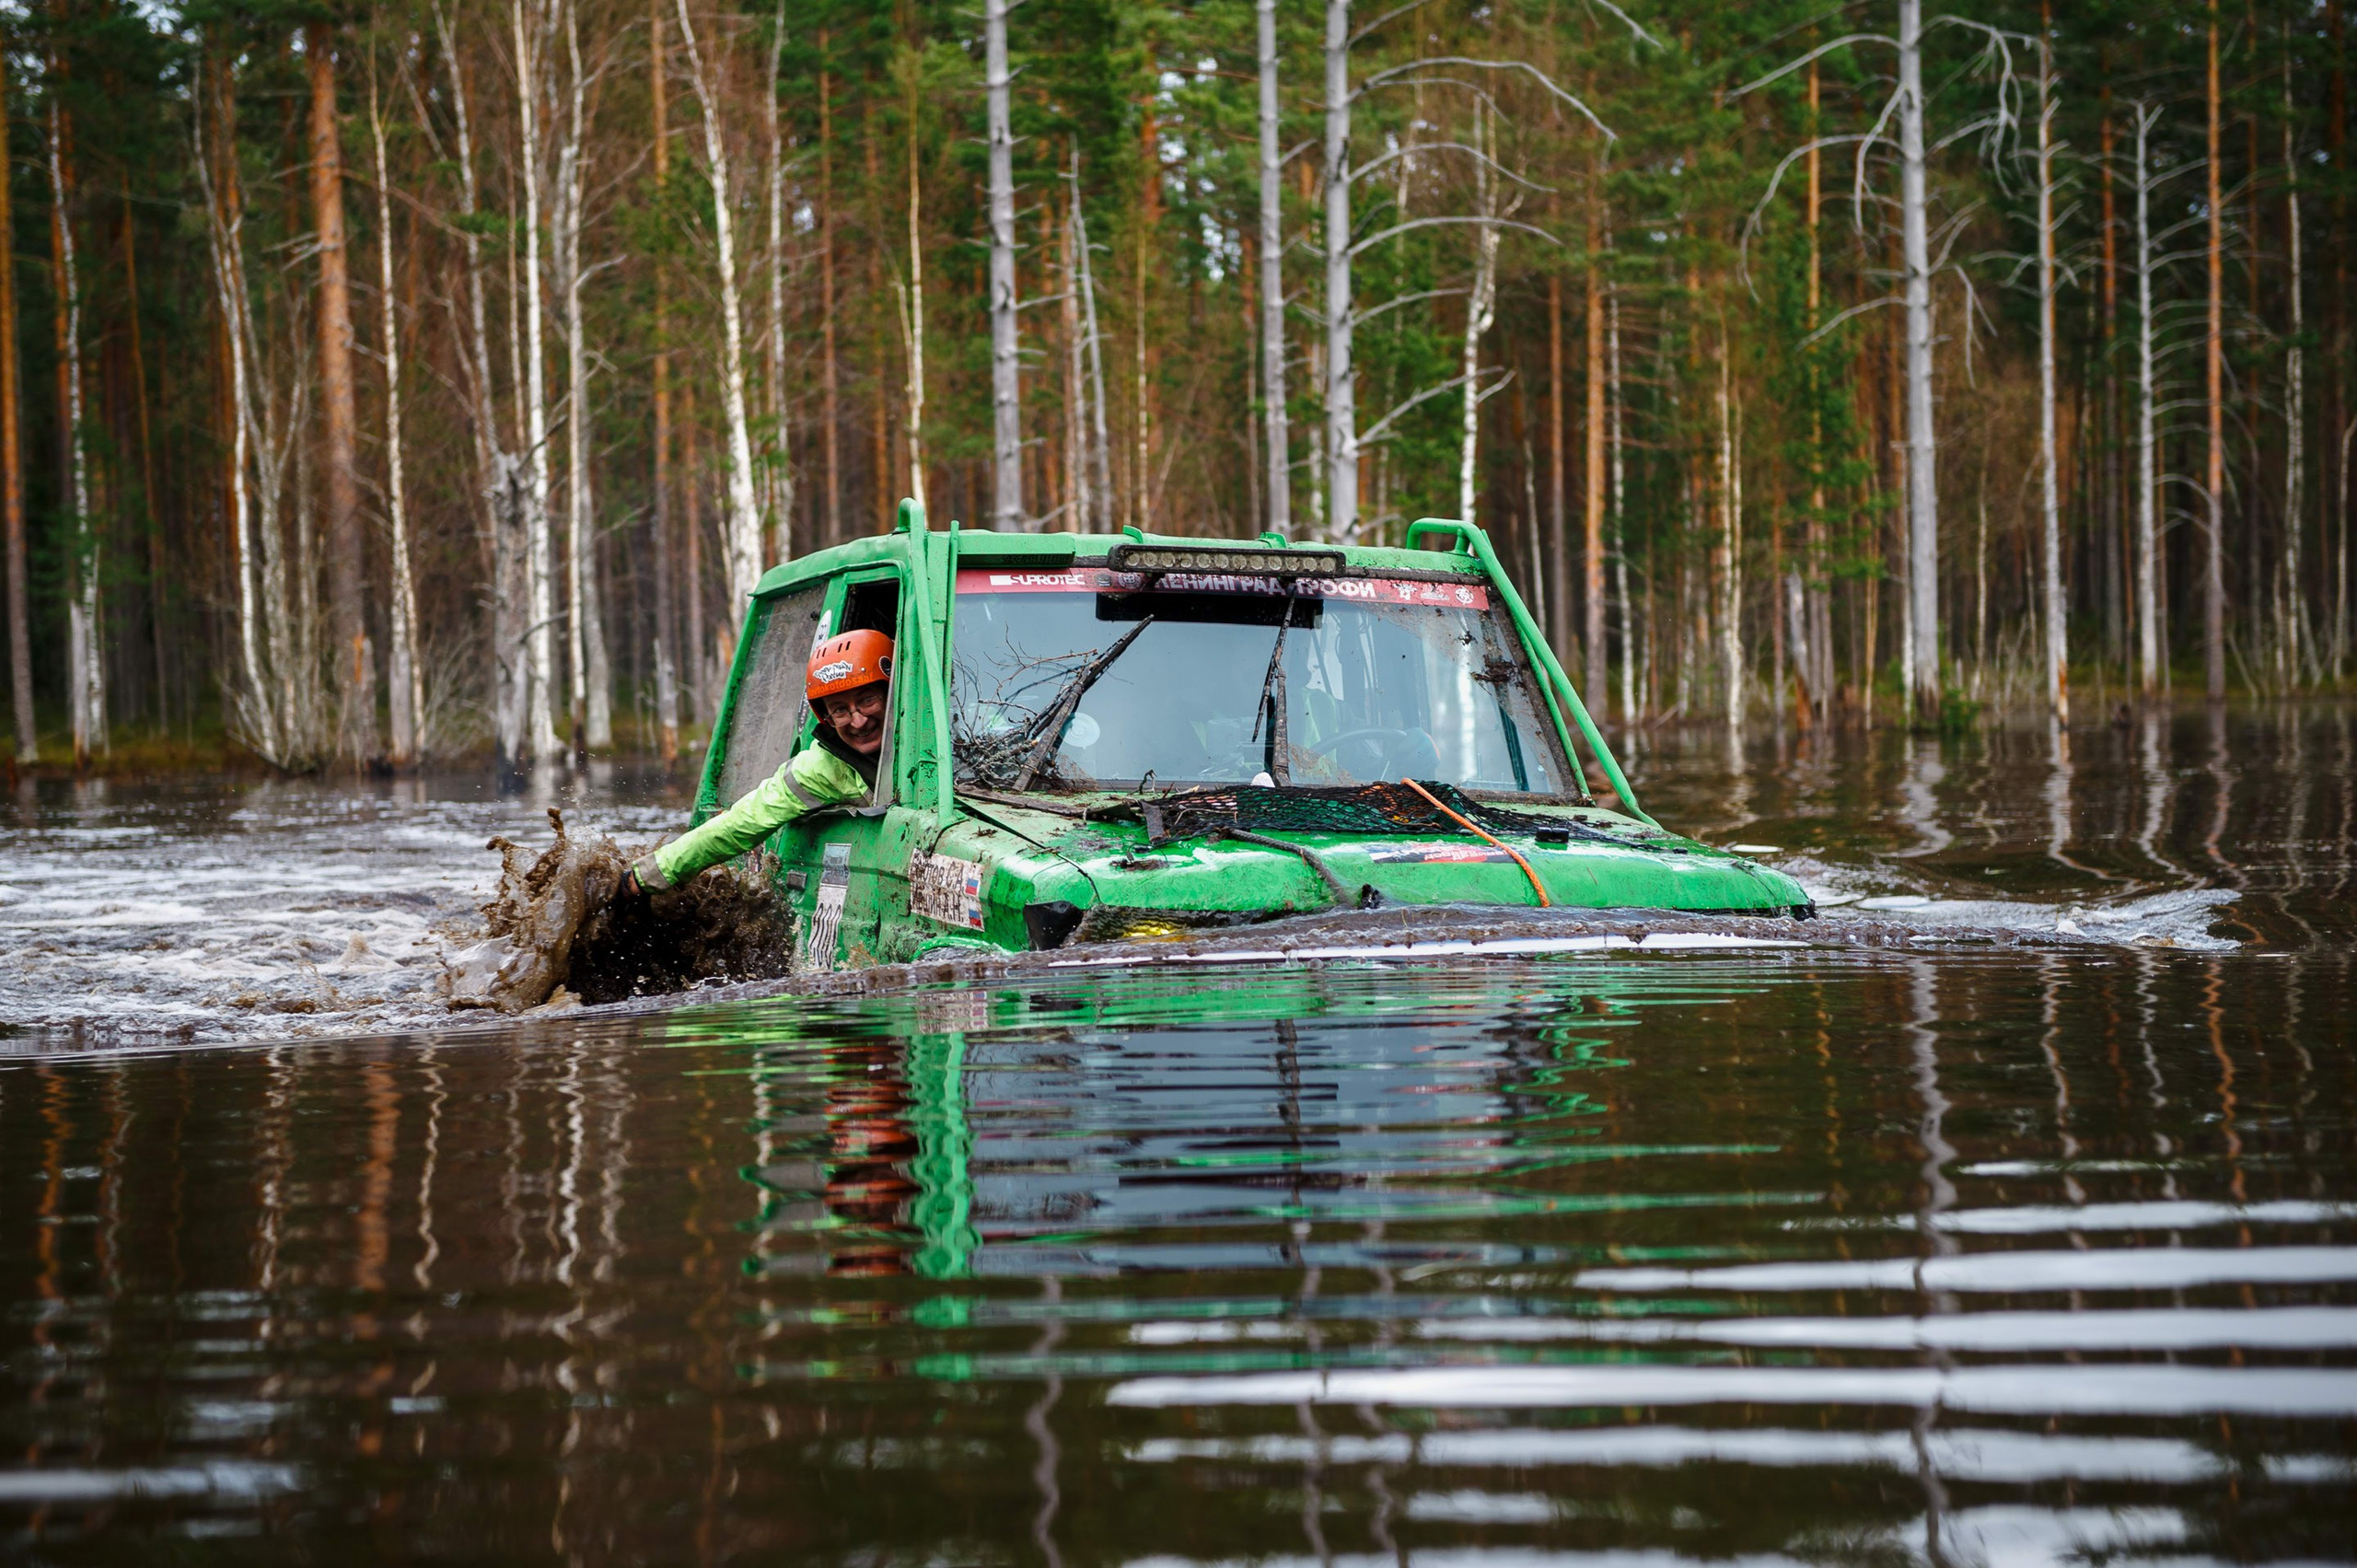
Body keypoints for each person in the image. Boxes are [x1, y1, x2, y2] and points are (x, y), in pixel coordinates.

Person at [621, 630, 892, 897]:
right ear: (826, 718)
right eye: (840, 710)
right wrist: (649, 875)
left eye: (867, 699)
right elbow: (742, 822)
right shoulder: (821, 769)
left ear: (892, 691)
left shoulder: (930, 724)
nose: (858, 721)